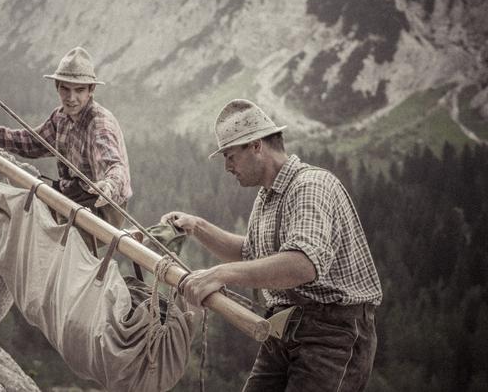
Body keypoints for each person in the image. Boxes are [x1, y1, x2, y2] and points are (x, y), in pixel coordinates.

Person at [161, 99, 382, 392]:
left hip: (333, 336)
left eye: (230, 155)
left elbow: (302, 264)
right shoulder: (267, 196)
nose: (227, 166)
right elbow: (251, 254)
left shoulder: (311, 185)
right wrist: (196, 226)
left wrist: (219, 275)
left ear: (256, 146)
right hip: (283, 329)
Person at [0, 46, 132, 344]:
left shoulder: (100, 123)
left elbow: (114, 166)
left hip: (96, 215)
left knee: (18, 265)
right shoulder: (60, 118)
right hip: (67, 199)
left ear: (91, 90)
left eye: (79, 90)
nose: (71, 97)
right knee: (8, 260)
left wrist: (108, 186)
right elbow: (30, 142)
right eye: (65, 89)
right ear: (57, 88)